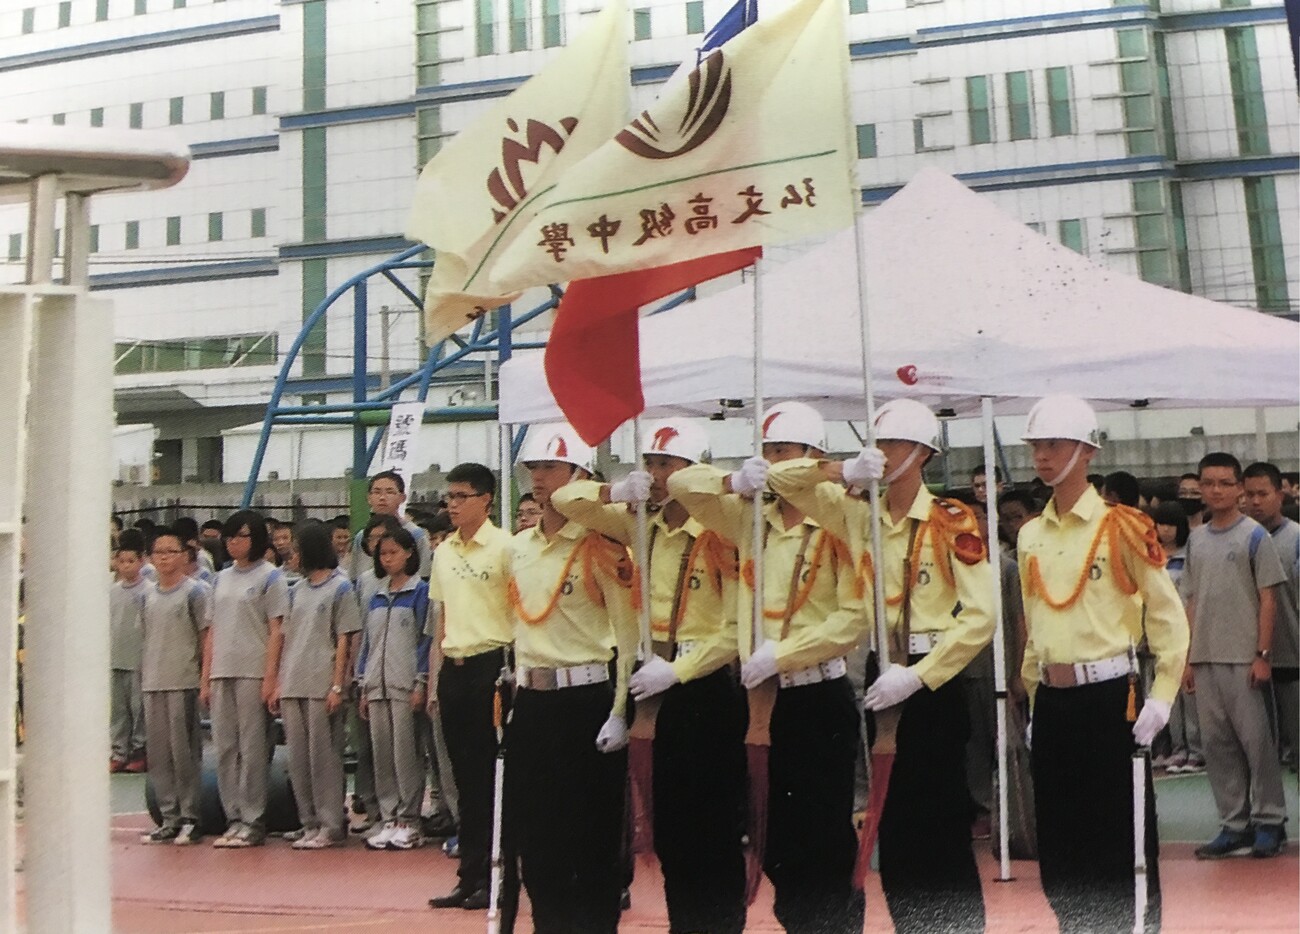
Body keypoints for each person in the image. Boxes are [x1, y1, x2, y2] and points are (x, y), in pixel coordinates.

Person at [768, 398, 992, 933]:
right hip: (880, 669)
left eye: (893, 443)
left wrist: (919, 675)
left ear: (921, 453)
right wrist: (840, 470)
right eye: (877, 442)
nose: (882, 451)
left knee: (938, 819)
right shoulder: (857, 514)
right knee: (893, 822)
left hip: (929, 678)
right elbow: (783, 480)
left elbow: (981, 617)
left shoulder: (950, 520)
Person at [672, 401, 866, 934]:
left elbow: (854, 618)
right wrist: (734, 479)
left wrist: (781, 655)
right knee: (774, 834)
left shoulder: (843, 519)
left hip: (817, 694)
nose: (773, 462)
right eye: (767, 452)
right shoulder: (749, 518)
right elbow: (685, 485)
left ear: (812, 455)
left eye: (784, 452)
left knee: (823, 832)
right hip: (762, 700)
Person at [554, 419, 747, 934]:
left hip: (702, 683)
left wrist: (680, 670)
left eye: (667, 465)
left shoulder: (722, 532)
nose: (657, 475)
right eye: (650, 464)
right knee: (670, 829)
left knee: (712, 828)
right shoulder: (643, 525)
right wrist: (614, 491)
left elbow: (734, 631)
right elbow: (567, 500)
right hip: (652, 684)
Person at [1017, 395, 1188, 932]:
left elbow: (1167, 615)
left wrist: (1162, 696)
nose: (1042, 456)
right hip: (1053, 700)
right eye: (1037, 445)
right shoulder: (1030, 534)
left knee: (1122, 839)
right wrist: (1034, 700)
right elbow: (1035, 625)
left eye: (1055, 444)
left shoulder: (1123, 527)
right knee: (1061, 844)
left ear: (1087, 451)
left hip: (1110, 697)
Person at [507, 423, 639, 933]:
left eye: (551, 467)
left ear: (580, 475)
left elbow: (628, 638)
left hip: (586, 702)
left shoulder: (602, 546)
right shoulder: (519, 548)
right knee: (537, 839)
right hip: (531, 702)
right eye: (534, 468)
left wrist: (621, 710)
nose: (539, 478)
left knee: (591, 837)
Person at [1182, 453, 1289, 860]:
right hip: (1206, 656)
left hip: (1245, 658)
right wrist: (1188, 657)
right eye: (1208, 483)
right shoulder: (1196, 539)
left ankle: (1269, 821)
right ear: (1199, 488)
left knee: (1258, 744)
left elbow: (1268, 599)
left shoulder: (1255, 536)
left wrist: (1262, 654)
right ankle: (1234, 824)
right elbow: (1191, 600)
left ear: (1239, 488)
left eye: (1225, 483)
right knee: (1217, 745)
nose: (1216, 490)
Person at [425, 463, 515, 912]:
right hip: (454, 669)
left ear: (486, 500)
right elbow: (442, 619)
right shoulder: (443, 551)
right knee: (462, 777)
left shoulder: (506, 548)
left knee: (491, 779)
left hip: (491, 666)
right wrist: (435, 680)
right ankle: (469, 876)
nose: (453, 505)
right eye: (450, 497)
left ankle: (497, 878)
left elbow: (519, 613)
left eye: (462, 496)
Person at [202, 510, 290, 849]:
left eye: (241, 535)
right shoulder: (220, 578)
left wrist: (271, 677)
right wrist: (206, 677)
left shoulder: (271, 577)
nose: (233, 542)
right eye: (229, 536)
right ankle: (233, 817)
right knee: (225, 748)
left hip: (253, 670)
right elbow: (212, 630)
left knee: (253, 748)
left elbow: (277, 629)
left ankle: (253, 819)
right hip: (222, 670)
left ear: (257, 539)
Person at [273, 520, 361, 849]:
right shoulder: (296, 590)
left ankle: (330, 823)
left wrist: (338, 685)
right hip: (294, 682)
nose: (291, 556)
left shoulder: (340, 588)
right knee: (298, 758)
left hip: (321, 682)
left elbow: (345, 639)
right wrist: (279, 682)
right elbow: (287, 638)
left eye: (296, 550)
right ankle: (308, 821)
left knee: (324, 756)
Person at [358, 526, 432, 851]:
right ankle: (389, 818)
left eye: (393, 553)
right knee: (382, 755)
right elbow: (367, 643)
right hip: (377, 686)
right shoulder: (376, 596)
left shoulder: (420, 592)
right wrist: (363, 684)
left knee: (406, 755)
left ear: (409, 554)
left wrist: (420, 682)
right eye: (382, 554)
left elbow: (425, 641)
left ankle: (410, 821)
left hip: (404, 685)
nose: (387, 559)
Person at [139, 527, 213, 845]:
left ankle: (190, 817)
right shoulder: (147, 595)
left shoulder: (195, 592)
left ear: (184, 556)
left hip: (183, 681)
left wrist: (204, 679)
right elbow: (146, 637)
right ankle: (168, 816)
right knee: (159, 754)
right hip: (153, 682)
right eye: (159, 552)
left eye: (171, 551)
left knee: (184, 753)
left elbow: (205, 637)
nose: (164, 558)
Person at [347, 515, 403, 834]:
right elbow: (361, 632)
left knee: (402, 750)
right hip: (369, 676)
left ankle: (405, 815)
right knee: (371, 749)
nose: (381, 548)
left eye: (387, 541)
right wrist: (357, 673)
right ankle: (376, 811)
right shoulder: (365, 583)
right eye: (374, 541)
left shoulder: (415, 587)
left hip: (400, 678)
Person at [1243, 462, 1299, 771]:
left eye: (1262, 494)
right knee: (1260, 755)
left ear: (1279, 495)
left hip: (1292, 659)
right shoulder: (1240, 539)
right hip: (1247, 664)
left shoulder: (1296, 539)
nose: (1255, 501)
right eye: (1249, 494)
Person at [1151, 502, 1203, 774]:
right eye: (1161, 524)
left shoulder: (1189, 555)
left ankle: (1195, 750)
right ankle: (1171, 747)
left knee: (1189, 696)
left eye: (1171, 524)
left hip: (1185, 632)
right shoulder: (1151, 557)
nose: (1165, 530)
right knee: (1164, 695)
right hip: (1158, 637)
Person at [110, 533, 150, 774]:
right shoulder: (111, 591)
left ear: (141, 561)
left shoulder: (149, 591)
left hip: (138, 659)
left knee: (139, 710)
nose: (126, 566)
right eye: (121, 561)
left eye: (131, 561)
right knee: (118, 711)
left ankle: (139, 751)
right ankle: (118, 752)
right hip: (116, 658)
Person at [348, 471, 433, 580]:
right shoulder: (362, 536)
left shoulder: (415, 534)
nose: (382, 497)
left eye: (390, 492)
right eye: (377, 492)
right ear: (369, 498)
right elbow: (354, 577)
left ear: (402, 498)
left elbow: (425, 574)